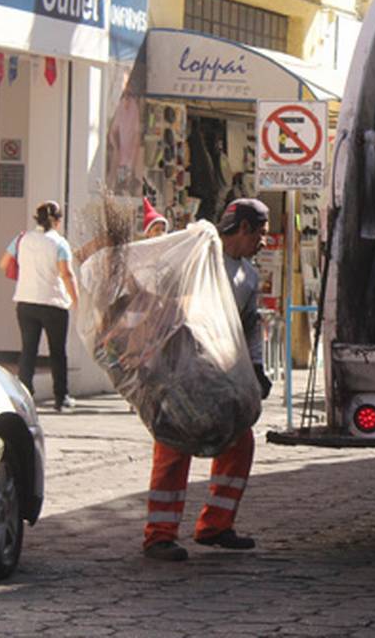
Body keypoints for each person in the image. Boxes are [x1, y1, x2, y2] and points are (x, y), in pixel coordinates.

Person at [143, 199, 273, 561]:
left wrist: (258, 368)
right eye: (260, 233)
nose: (263, 242)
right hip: (180, 372)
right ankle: (159, 536)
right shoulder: (199, 256)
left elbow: (249, 326)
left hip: (220, 376)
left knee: (239, 444)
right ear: (243, 229)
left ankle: (215, 526)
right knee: (173, 449)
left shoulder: (247, 275)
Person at [0, 201, 78, 412]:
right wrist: (76, 300)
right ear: (58, 221)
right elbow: (66, 274)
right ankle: (61, 398)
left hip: (25, 301)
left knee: (28, 350)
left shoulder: (22, 238)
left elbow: (4, 263)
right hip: (53, 303)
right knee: (57, 352)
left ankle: (25, 396)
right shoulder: (59, 243)